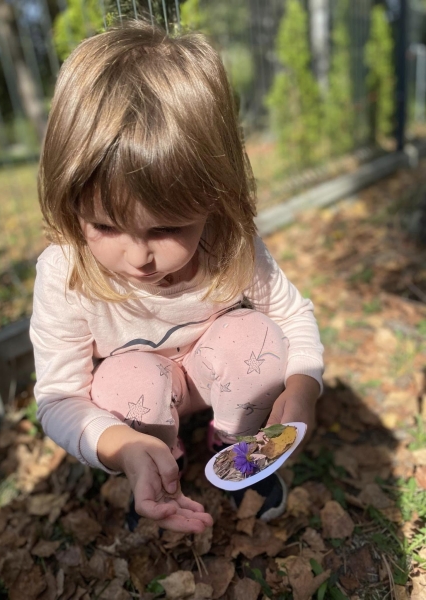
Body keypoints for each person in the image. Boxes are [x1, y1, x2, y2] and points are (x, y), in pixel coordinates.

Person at [30, 19, 324, 535]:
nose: (139, 255)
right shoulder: (67, 273)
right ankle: (157, 465)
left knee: (253, 337)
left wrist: (303, 387)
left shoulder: (227, 244)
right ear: (68, 200)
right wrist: (125, 448)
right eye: (104, 225)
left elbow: (290, 314)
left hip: (214, 371)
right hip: (143, 392)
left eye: (168, 227)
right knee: (128, 381)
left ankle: (236, 448)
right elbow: (59, 396)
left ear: (215, 200)